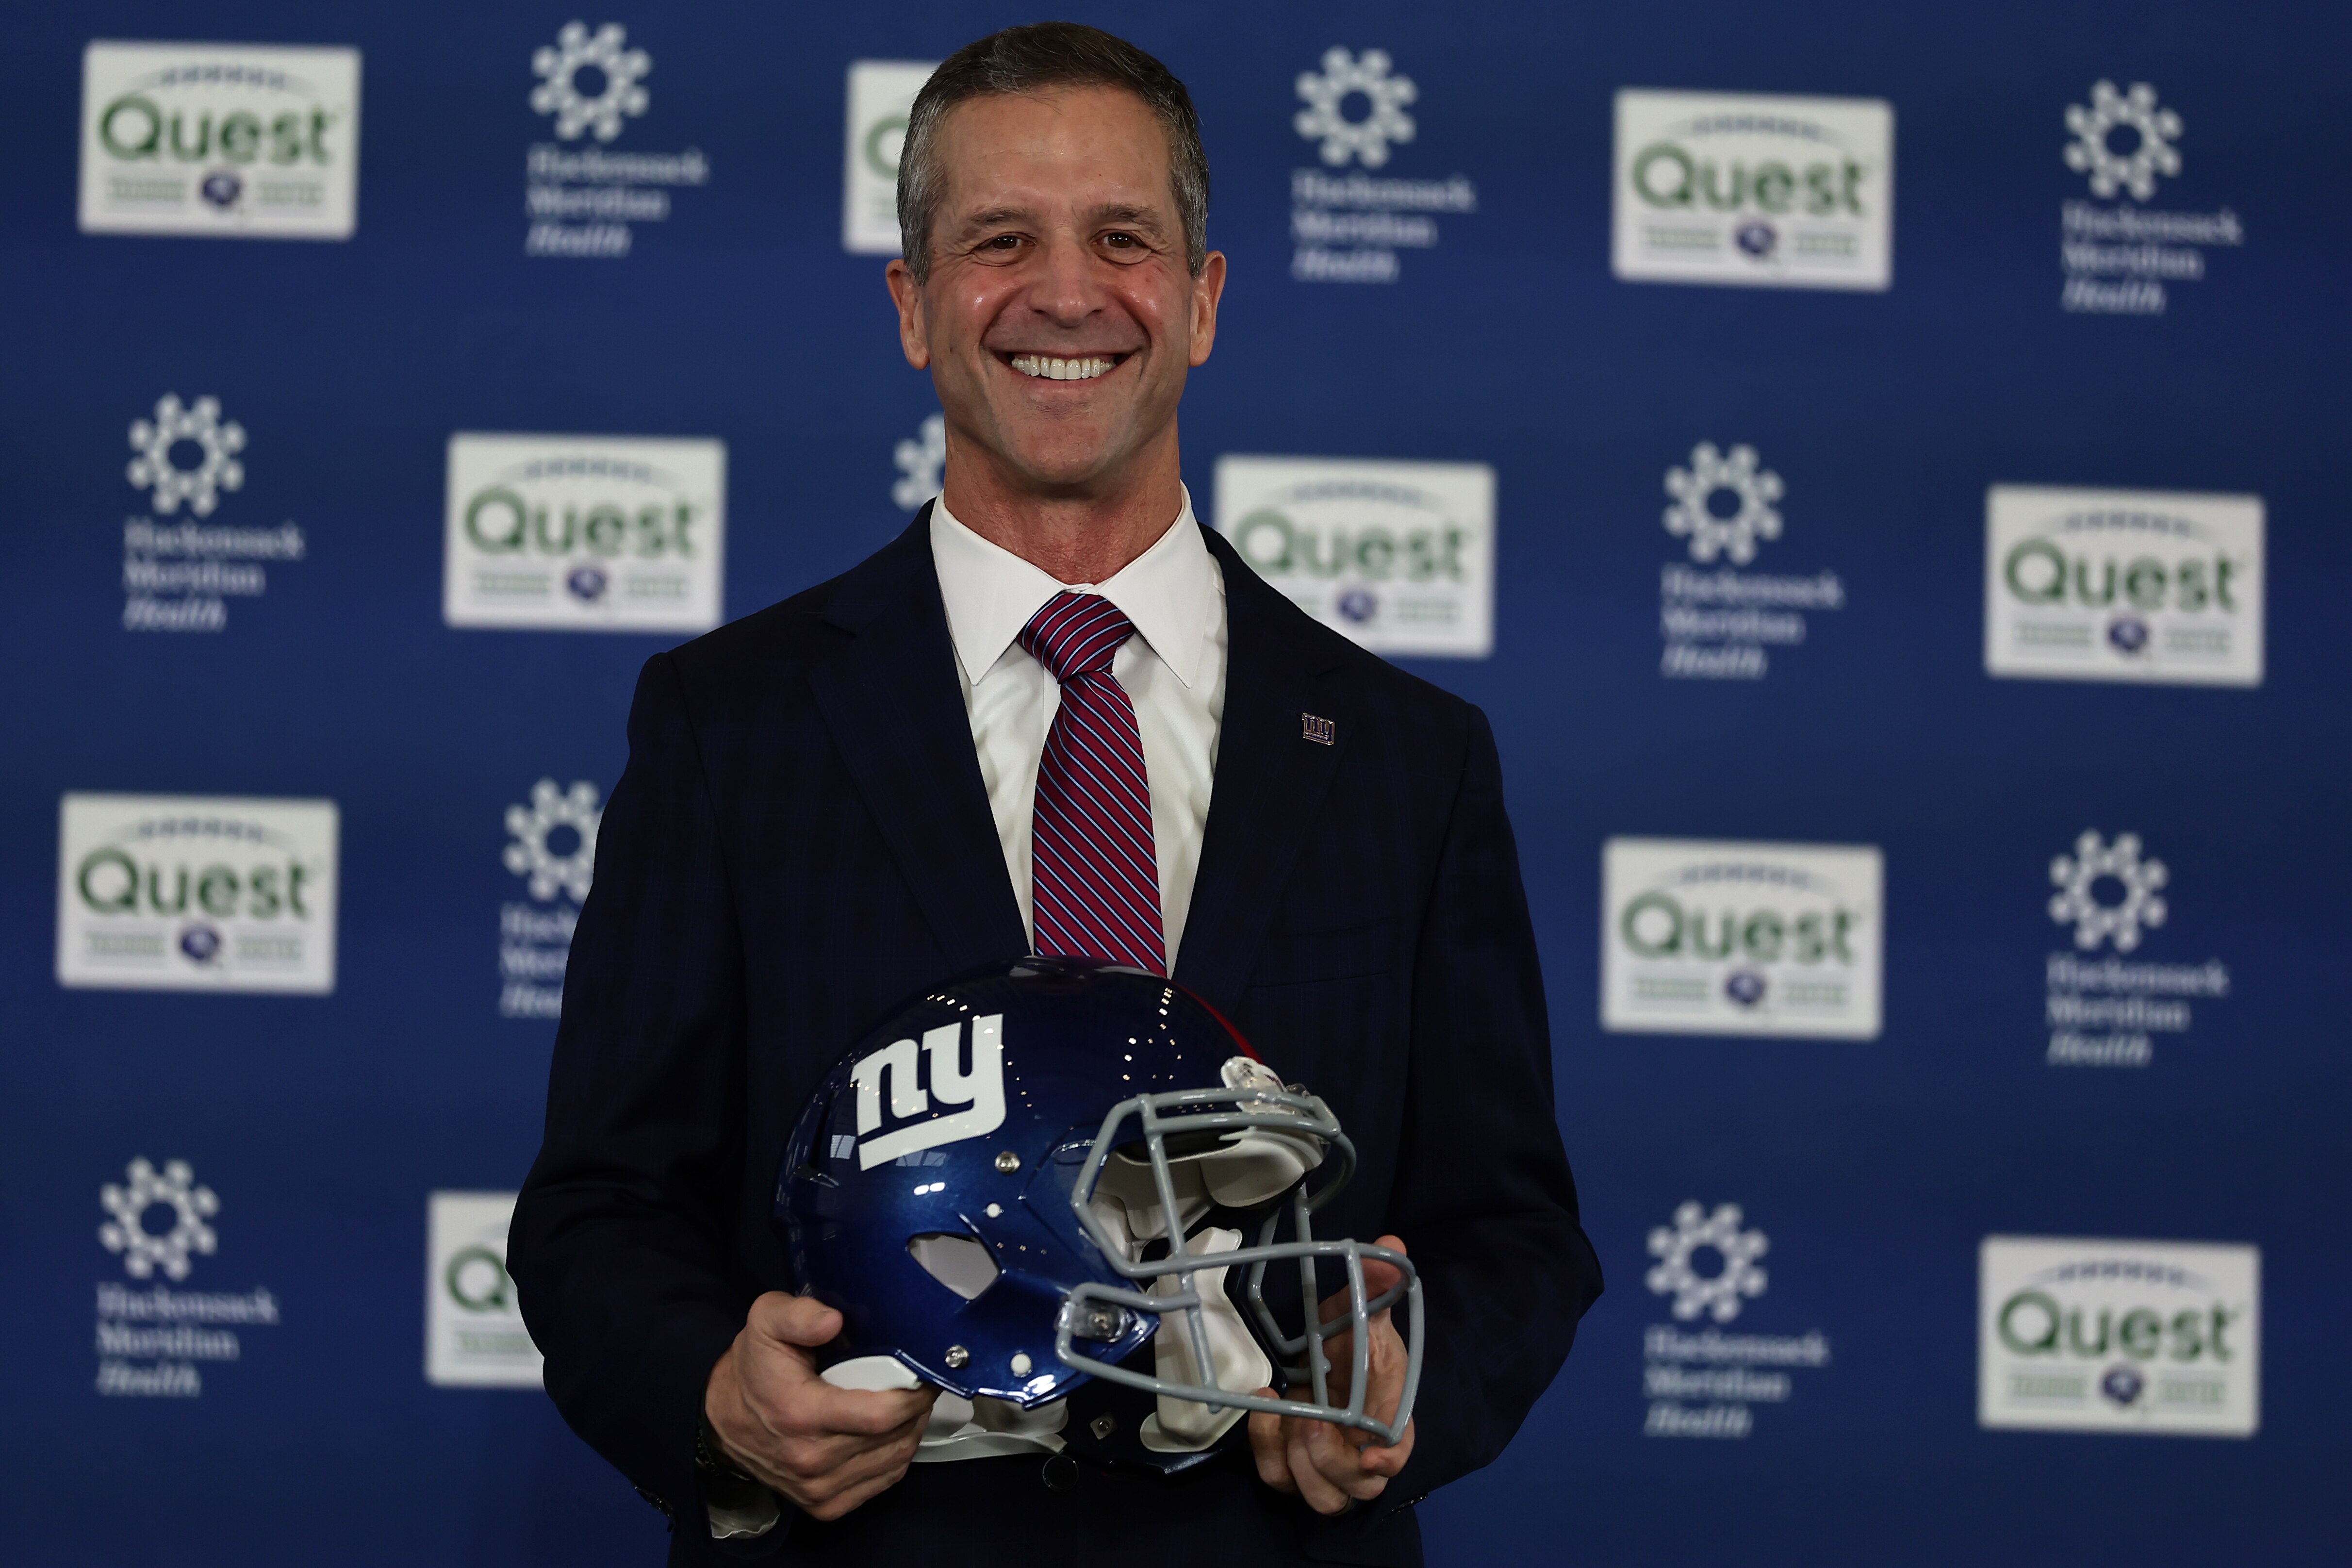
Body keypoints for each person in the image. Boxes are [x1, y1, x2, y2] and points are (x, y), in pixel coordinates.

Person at [510, 22, 1600, 1567]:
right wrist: (713, 1393)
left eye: (1125, 239)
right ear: (913, 307)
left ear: (1206, 301)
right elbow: (595, 1210)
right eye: (1000, 239)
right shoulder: (724, 724)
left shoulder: (1410, 756)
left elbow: (1516, 1229)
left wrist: (1411, 1371)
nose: (1068, 293)